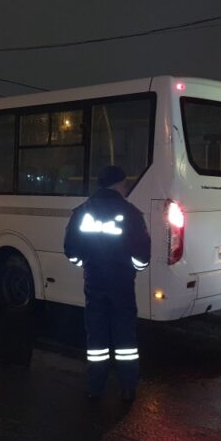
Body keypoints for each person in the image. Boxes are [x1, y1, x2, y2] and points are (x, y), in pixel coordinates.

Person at [63, 165, 151, 402]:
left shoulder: (82, 211)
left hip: (95, 283)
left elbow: (71, 249)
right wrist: (133, 268)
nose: (126, 189)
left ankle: (94, 388)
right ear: (119, 184)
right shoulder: (131, 213)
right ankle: (127, 388)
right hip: (122, 284)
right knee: (125, 339)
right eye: (125, 184)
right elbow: (143, 254)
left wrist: (86, 264)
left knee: (96, 338)